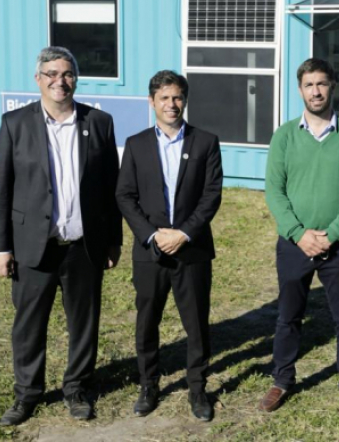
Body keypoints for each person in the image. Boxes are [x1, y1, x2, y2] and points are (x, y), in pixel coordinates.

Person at [0, 46, 122, 425]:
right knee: (29, 325)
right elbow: (0, 190)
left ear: (75, 79)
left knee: (84, 323)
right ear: (38, 80)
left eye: (66, 73)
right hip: (34, 246)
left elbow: (110, 187)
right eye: (50, 73)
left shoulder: (99, 122)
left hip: (84, 245)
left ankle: (77, 388)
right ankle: (27, 393)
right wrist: (1, 247)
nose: (58, 81)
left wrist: (114, 239)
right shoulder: (15, 124)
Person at [259, 58, 339, 420]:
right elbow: (274, 191)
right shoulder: (285, 135)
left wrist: (333, 235)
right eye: (309, 85)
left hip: (338, 247)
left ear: (333, 86)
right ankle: (281, 380)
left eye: (322, 84)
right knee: (288, 316)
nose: (316, 91)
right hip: (295, 244)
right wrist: (298, 234)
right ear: (300, 89)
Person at [115, 70, 223, 422]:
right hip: (150, 251)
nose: (171, 104)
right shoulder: (136, 144)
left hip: (191, 250)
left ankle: (197, 388)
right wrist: (151, 233)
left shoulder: (205, 142)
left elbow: (211, 196)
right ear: (152, 102)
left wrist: (184, 233)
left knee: (196, 323)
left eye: (177, 97)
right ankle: (149, 385)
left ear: (185, 100)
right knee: (148, 321)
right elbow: (125, 196)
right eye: (164, 98)